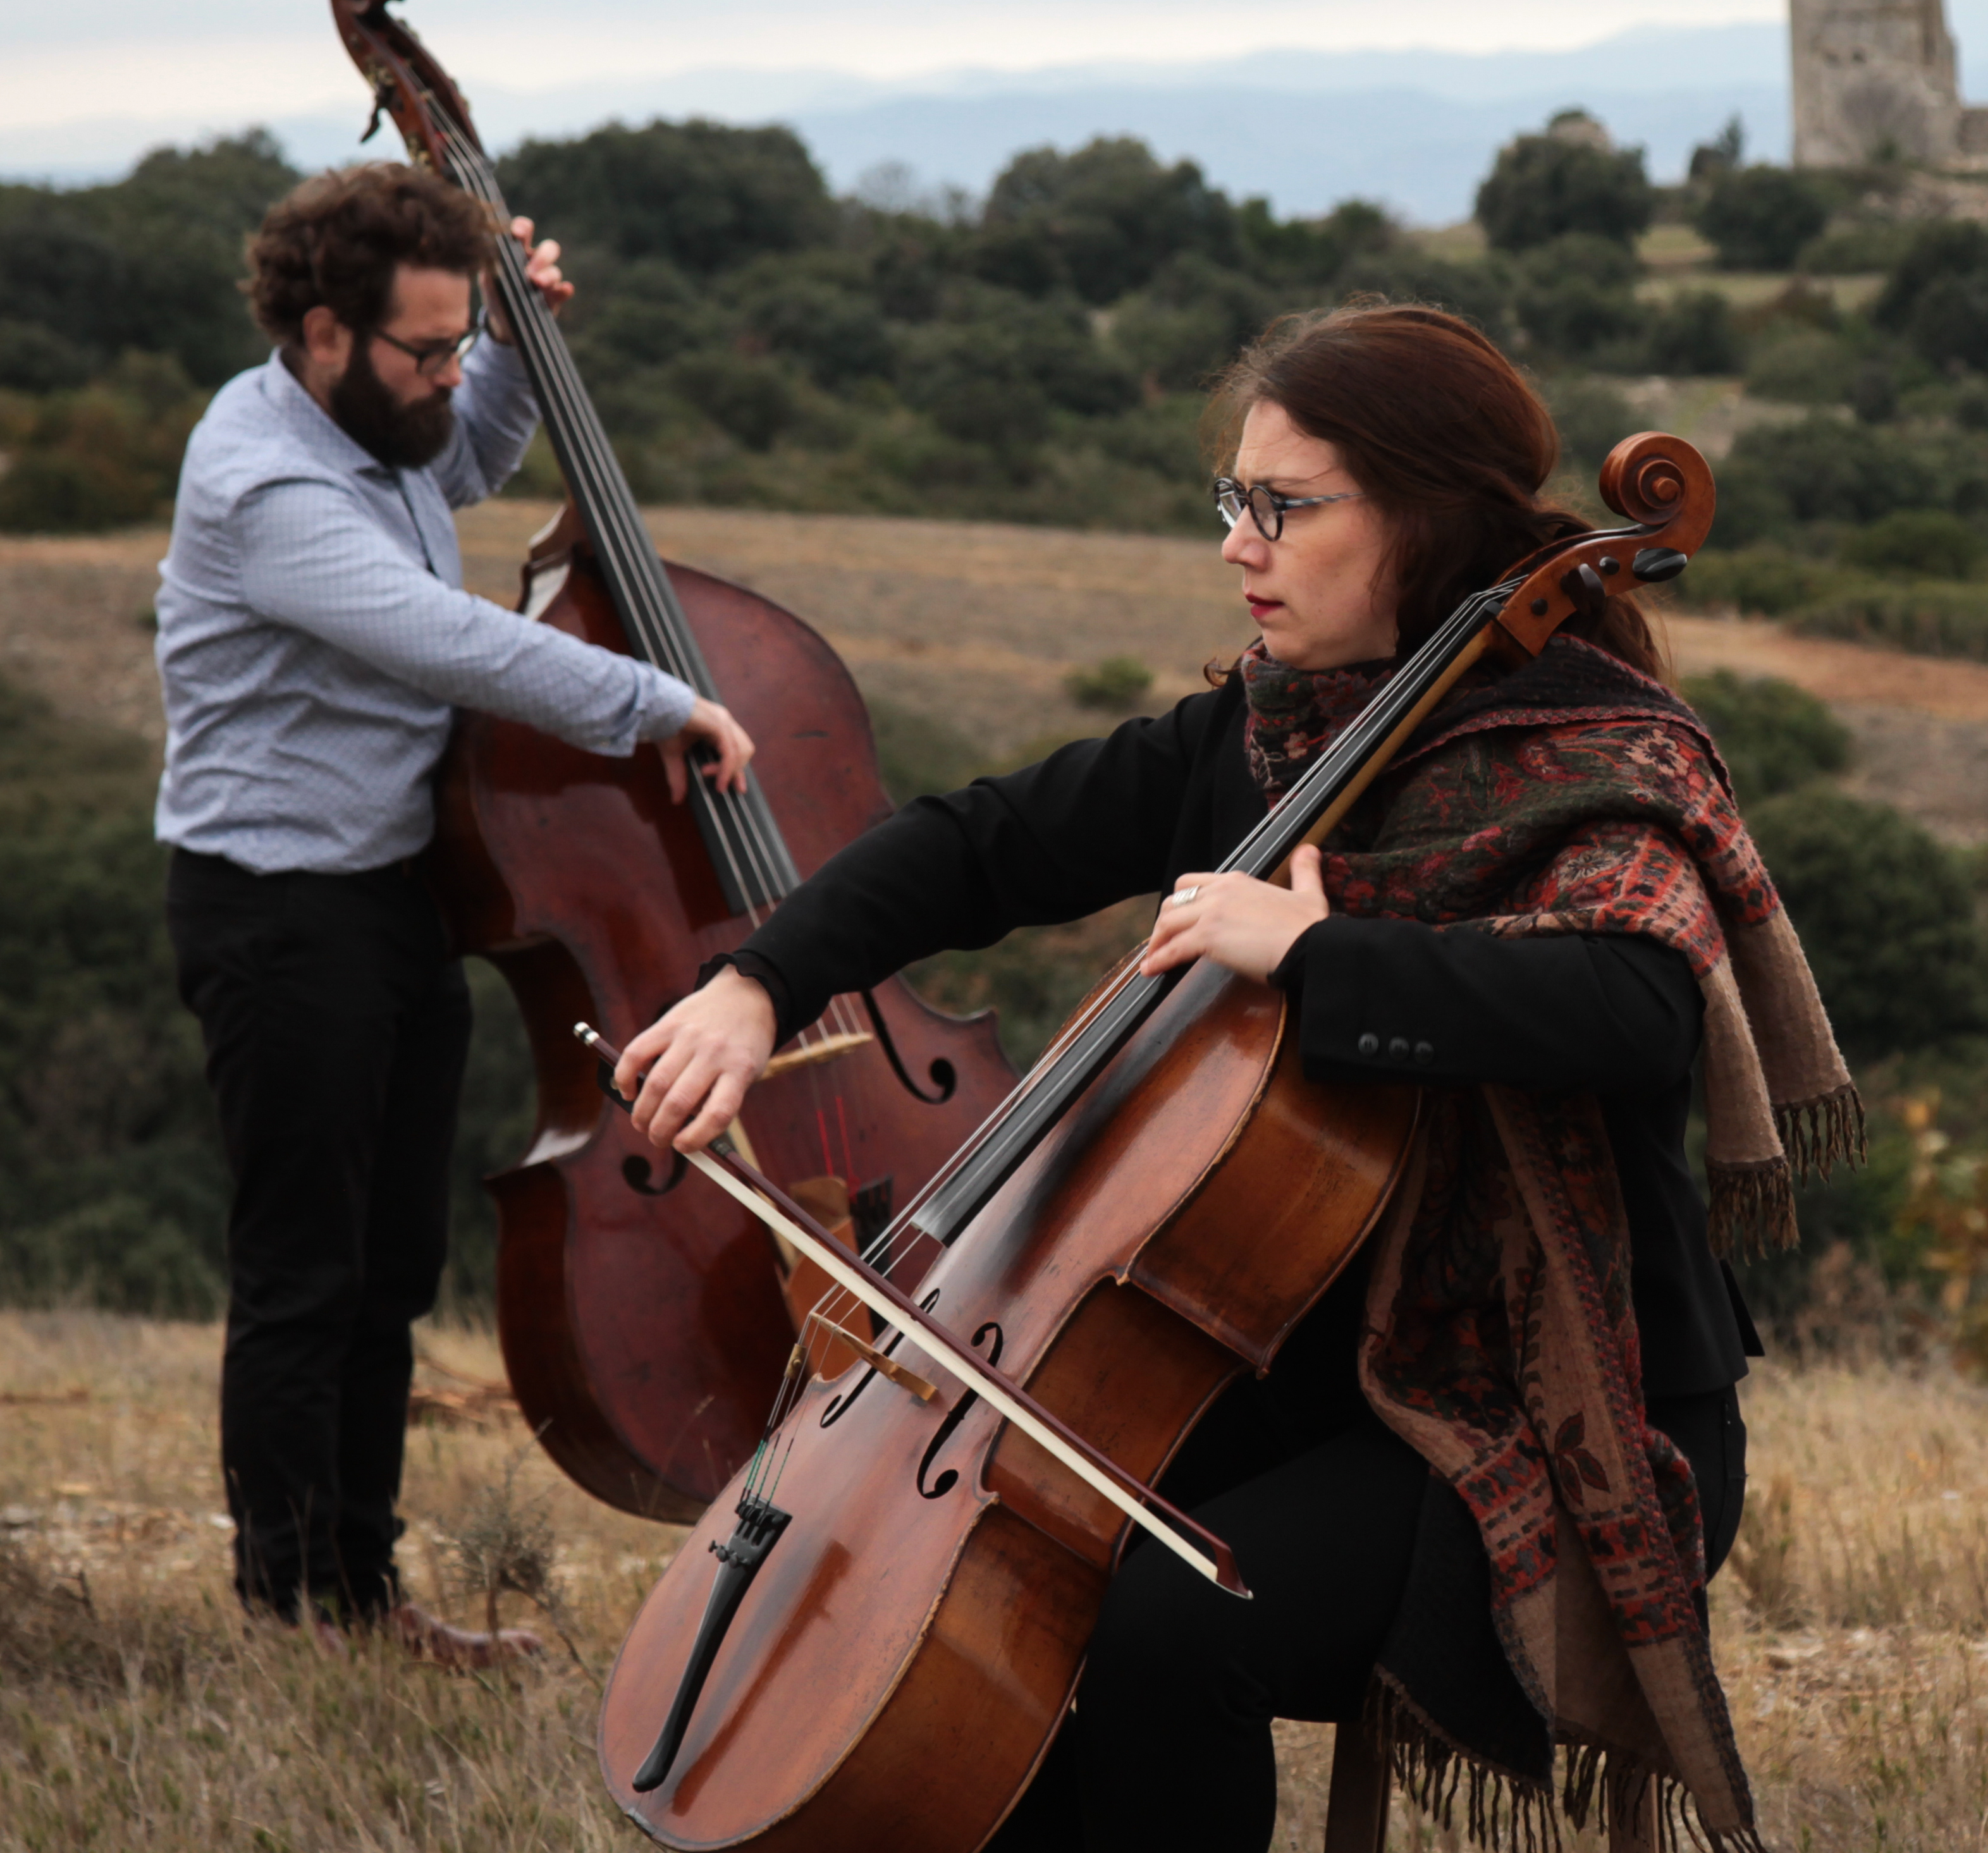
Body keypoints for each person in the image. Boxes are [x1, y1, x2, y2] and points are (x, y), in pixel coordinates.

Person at [619, 302, 1856, 1848]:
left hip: (1555, 1399)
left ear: (1422, 516)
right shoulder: (1266, 744)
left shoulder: (1597, 753)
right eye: (1235, 502)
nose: (1238, 546)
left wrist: (1317, 954)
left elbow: (1630, 1008)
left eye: (1285, 507)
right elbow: (980, 843)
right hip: (1320, 1369)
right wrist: (758, 983)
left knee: (1167, 1629)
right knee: (1016, 1573)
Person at [156, 163, 758, 1665]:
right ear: (320, 334)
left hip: (388, 892)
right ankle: (298, 1612)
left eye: (452, 342)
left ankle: (360, 1593)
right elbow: (444, 640)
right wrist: (655, 700)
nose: (440, 376)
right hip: (278, 911)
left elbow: (455, 462)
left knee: (393, 1264)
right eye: (423, 352)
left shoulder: (370, 424)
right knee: (307, 1271)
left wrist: (512, 359)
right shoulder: (268, 483)